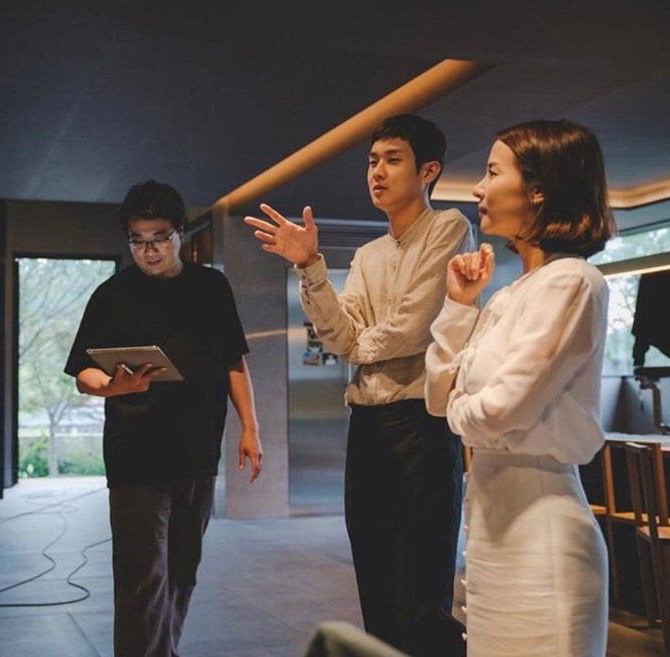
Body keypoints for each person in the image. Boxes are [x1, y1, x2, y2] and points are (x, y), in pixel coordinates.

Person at [245, 114, 471, 656]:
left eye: (393, 160)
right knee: (375, 579)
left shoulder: (449, 227)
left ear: (428, 171)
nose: (377, 172)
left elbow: (414, 325)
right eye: (372, 161)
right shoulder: (367, 255)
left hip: (421, 425)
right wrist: (310, 265)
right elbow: (337, 333)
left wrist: (356, 346)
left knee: (421, 594)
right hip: (366, 426)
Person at [424, 119, 616, 657]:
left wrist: (463, 406)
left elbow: (503, 409)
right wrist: (460, 304)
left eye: (492, 172)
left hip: (542, 538)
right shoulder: (508, 295)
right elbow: (437, 397)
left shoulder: (574, 281)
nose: (478, 189)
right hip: (489, 537)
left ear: (538, 189)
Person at [65, 180, 263, 657]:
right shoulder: (111, 295)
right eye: (137, 241)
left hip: (198, 452)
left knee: (181, 572)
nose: (149, 251)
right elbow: (82, 372)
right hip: (135, 455)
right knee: (141, 577)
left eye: (158, 238)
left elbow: (234, 362)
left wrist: (251, 428)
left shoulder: (211, 288)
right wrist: (112, 386)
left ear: (180, 233)